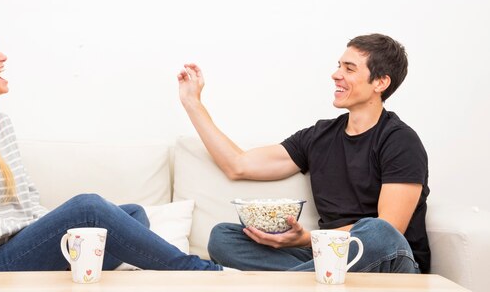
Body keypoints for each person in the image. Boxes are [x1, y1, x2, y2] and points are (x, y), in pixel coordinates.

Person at [0, 21, 225, 273]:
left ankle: (84, 266)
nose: (2, 57)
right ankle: (196, 271)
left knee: (133, 216)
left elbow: (27, 199)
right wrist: (39, 227)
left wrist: (42, 226)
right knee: (89, 210)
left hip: (6, 249)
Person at [177, 33, 430, 274]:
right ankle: (309, 280)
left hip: (387, 261)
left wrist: (309, 238)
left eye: (349, 69)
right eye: (339, 66)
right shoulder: (319, 136)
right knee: (223, 237)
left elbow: (392, 228)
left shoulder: (400, 141)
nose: (335, 75)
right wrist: (192, 103)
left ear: (380, 82)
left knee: (377, 231)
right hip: (323, 257)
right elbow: (238, 164)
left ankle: (294, 282)